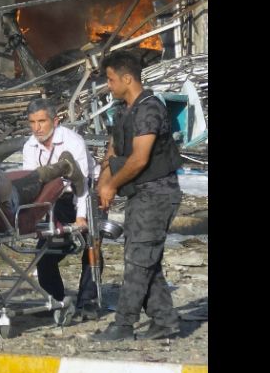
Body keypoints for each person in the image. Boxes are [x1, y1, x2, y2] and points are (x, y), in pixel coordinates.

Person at [92, 51, 183, 342]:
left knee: (137, 260)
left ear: (127, 79)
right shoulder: (122, 109)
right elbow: (114, 150)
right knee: (147, 258)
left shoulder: (150, 109)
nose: (108, 85)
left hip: (157, 193)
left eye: (111, 79)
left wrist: (112, 185)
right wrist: (103, 182)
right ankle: (165, 321)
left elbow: (139, 159)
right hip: (138, 194)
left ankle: (123, 324)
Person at [23, 98, 102, 320]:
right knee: (45, 252)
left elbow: (82, 185)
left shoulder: (72, 141)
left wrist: (81, 218)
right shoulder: (30, 146)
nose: (37, 127)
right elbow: (33, 186)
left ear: (55, 121)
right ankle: (54, 300)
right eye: (32, 122)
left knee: (91, 246)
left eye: (42, 121)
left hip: (84, 193)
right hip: (53, 199)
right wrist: (35, 219)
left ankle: (88, 301)